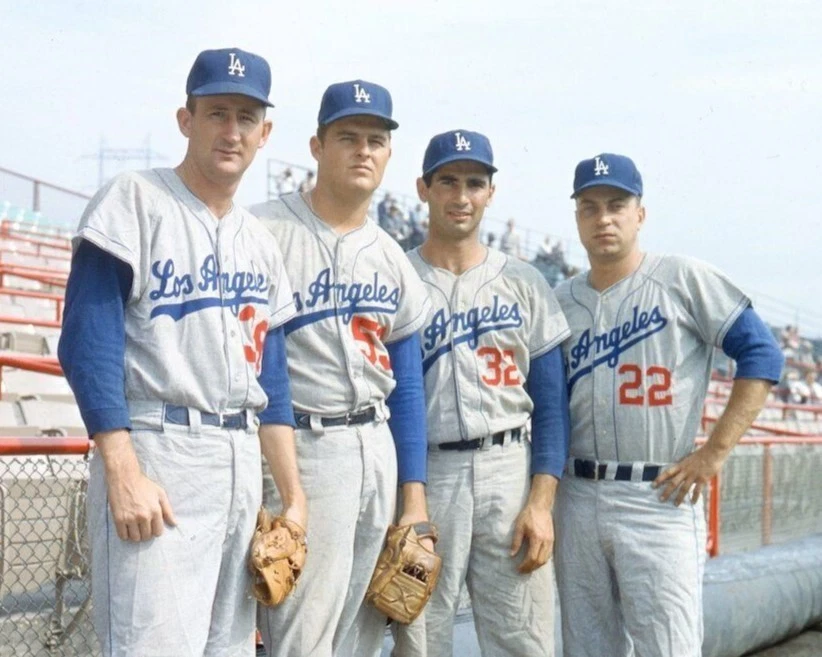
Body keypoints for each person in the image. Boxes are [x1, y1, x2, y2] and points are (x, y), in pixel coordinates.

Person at [57, 48, 306, 656]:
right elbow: (87, 340)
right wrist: (123, 470)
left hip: (240, 461)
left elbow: (272, 381)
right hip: (161, 453)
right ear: (185, 119)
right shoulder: (133, 200)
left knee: (229, 648)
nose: (232, 131)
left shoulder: (260, 242)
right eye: (217, 112)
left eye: (247, 117)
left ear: (265, 133)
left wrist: (293, 497)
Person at [553, 152, 784, 657]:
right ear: (577, 218)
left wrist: (714, 453)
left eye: (616, 205)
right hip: (577, 494)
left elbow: (763, 354)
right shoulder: (561, 299)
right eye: (590, 207)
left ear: (640, 213)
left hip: (658, 495)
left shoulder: (681, 278)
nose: (604, 218)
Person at [250, 79, 432, 657]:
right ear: (317, 146)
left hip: (376, 446)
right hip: (307, 444)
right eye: (348, 137)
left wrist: (414, 498)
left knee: (361, 635)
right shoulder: (264, 230)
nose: (363, 150)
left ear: (389, 153)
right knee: (302, 634)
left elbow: (407, 388)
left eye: (376, 140)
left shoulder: (392, 256)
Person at [397, 129, 571, 656]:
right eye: (448, 181)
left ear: (490, 192)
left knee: (524, 639)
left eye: (475, 183)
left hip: (508, 468)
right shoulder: (399, 276)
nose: (462, 195)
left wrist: (541, 503)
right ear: (423, 188)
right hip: (430, 473)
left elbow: (552, 406)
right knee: (420, 638)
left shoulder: (524, 280)